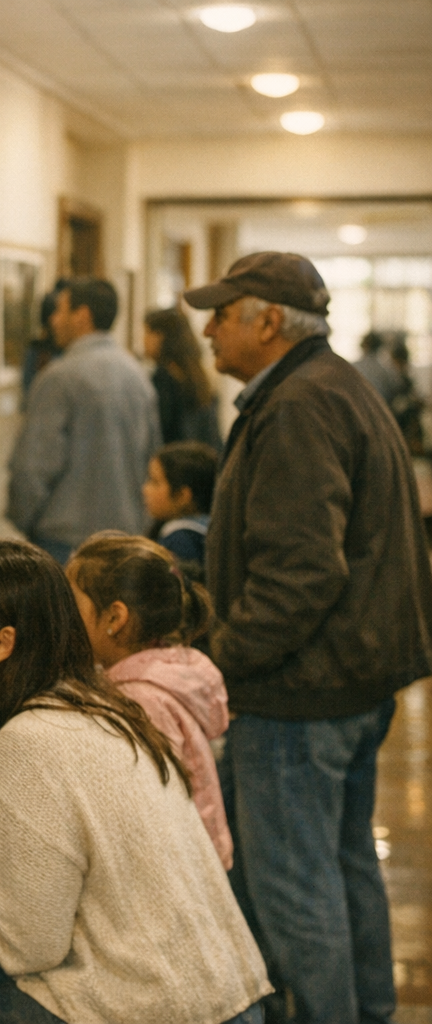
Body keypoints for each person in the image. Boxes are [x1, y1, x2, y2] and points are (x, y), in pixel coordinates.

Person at [186, 251, 432, 1023]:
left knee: (295, 889)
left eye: (222, 314)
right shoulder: (329, 385)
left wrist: (217, 659)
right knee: (343, 864)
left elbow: (301, 576)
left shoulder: (297, 404)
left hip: (301, 692)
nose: (208, 330)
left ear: (267, 321)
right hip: (348, 680)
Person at [0, 540, 270, 1024]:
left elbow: (25, 945)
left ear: (2, 642)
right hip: (230, 999)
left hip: (166, 1011)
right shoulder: (95, 705)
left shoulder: (29, 740)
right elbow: (51, 838)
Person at [67, 531, 233, 867]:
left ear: (115, 618)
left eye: (70, 604)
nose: (61, 616)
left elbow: (154, 804)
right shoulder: (153, 679)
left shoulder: (141, 699)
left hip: (177, 867)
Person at [7, 278, 161, 563]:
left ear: (82, 316)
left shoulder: (58, 378)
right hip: (126, 540)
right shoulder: (137, 375)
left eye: (60, 311)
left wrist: (24, 522)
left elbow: (32, 467)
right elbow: (152, 457)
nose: (53, 320)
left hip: (66, 543)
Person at [143, 307, 221, 448]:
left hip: (172, 462)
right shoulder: (197, 375)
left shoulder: (164, 378)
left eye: (148, 332)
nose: (144, 340)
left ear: (161, 336)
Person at [142, 440, 217, 573]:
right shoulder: (213, 529)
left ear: (183, 496)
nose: (145, 489)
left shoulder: (179, 540)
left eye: (155, 482)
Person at [353, 330, 399, 405]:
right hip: (380, 410)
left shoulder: (354, 367)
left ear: (364, 345)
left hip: (359, 409)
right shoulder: (386, 369)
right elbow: (394, 390)